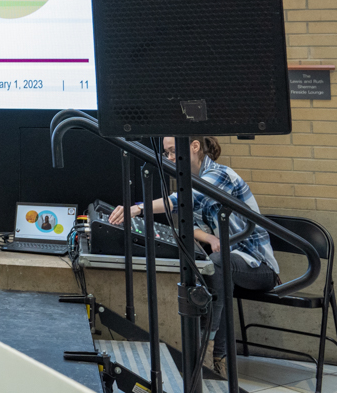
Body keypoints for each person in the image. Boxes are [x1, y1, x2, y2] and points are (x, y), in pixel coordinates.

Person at [108, 136, 278, 379]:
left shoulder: (220, 175)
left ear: (195, 146)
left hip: (259, 266)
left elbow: (183, 202)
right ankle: (215, 356)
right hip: (229, 261)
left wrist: (137, 208)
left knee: (217, 265)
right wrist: (209, 239)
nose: (168, 159)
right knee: (213, 268)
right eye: (165, 154)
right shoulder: (194, 181)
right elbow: (192, 224)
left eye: (171, 152)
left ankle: (208, 353)